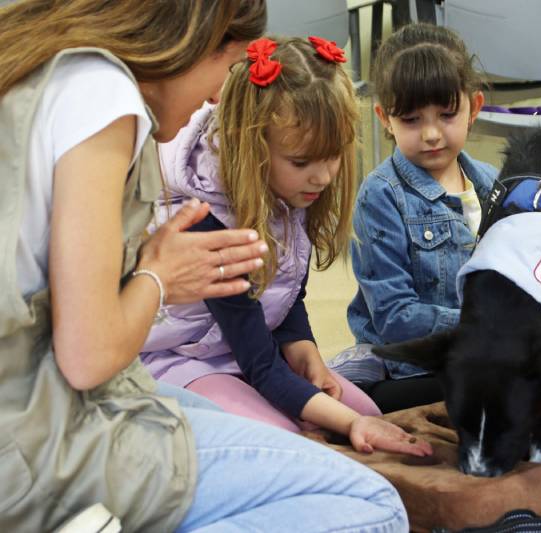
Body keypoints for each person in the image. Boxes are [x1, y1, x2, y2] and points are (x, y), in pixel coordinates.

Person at [0, 2, 427, 531]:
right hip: (48, 425)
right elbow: (88, 357)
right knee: (375, 505)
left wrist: (305, 352)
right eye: (225, 70)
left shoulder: (59, 73)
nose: (217, 96)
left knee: (344, 433)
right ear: (197, 41)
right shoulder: (103, 96)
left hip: (77, 398)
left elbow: (281, 300)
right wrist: (157, 277)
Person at [140, 34, 424, 447]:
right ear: (253, 147)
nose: (324, 177)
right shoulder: (207, 223)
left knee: (370, 414)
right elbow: (259, 362)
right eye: (302, 161)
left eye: (333, 156)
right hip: (183, 362)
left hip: (248, 351)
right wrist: (346, 424)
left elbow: (285, 292)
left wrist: (302, 345)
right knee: (288, 442)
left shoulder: (290, 186)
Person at [327, 23, 498, 413]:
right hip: (412, 366)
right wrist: (486, 326)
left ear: (474, 107)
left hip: (488, 348)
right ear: (384, 118)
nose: (432, 134)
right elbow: (394, 318)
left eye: (446, 114)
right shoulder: (380, 195)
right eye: (412, 120)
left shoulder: (493, 182)